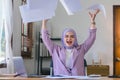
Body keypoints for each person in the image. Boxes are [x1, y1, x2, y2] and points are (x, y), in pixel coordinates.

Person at [41, 9, 100, 76]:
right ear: (63, 38)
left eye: (72, 36)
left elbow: (92, 38)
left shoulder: (81, 49)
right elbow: (45, 38)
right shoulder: (55, 50)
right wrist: (44, 22)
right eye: (66, 36)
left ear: (75, 38)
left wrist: (93, 22)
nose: (69, 38)